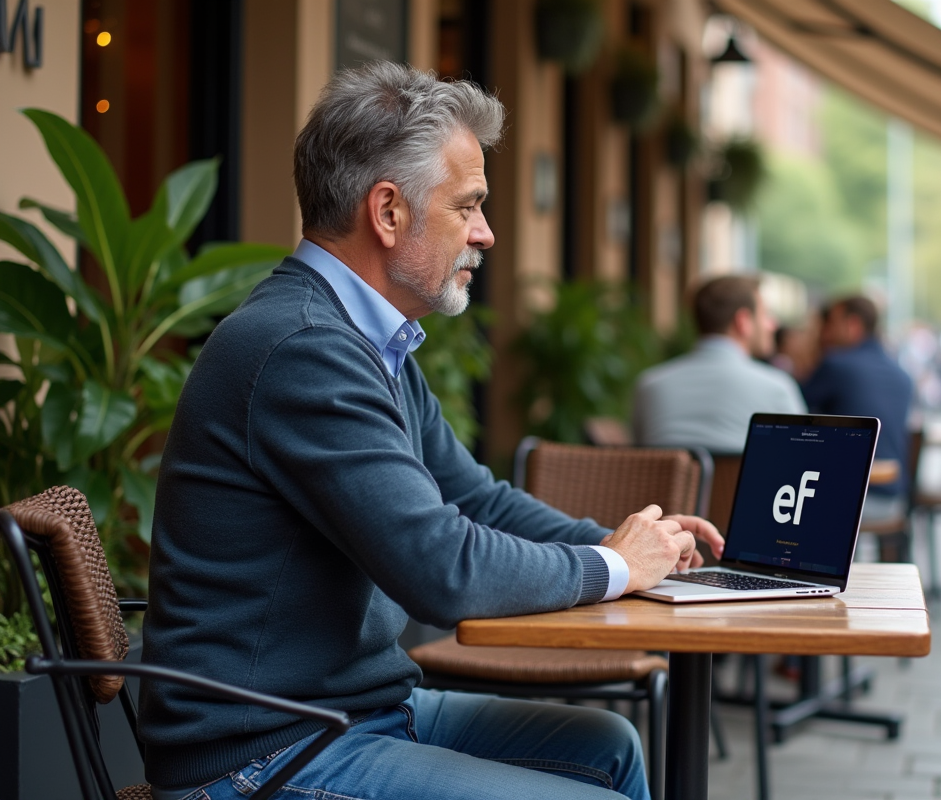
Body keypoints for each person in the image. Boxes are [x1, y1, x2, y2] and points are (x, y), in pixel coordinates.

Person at [138, 63, 723, 800]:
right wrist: (614, 568)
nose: (487, 232)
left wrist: (635, 548)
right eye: (468, 206)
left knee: (608, 745)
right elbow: (440, 569)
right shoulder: (302, 349)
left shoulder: (365, 340)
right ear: (388, 212)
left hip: (354, 715)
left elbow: (477, 500)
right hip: (266, 750)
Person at [632, 275, 806, 453]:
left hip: (666, 482)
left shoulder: (649, 386)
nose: (773, 324)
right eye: (766, 314)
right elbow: (802, 458)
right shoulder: (777, 389)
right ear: (743, 321)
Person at [802, 294, 913, 520]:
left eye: (831, 324)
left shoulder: (837, 365)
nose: (826, 332)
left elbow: (794, 410)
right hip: (893, 498)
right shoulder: (902, 375)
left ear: (852, 325)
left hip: (848, 499)